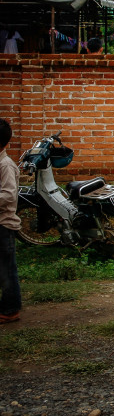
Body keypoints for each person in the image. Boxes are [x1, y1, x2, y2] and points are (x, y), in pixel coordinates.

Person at [0, 119, 20, 324]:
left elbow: (8, 195)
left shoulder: (5, 165)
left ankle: (11, 309)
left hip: (4, 224)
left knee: (6, 269)